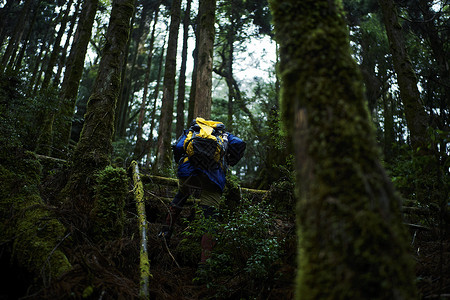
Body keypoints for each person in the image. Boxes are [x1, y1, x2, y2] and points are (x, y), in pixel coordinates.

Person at [160, 117, 246, 263]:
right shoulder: (224, 135)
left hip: (188, 172)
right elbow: (240, 143)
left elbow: (179, 147)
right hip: (213, 177)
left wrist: (182, 162)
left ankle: (164, 234)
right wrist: (231, 161)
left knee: (179, 199)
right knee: (210, 217)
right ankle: (205, 263)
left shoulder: (193, 131)